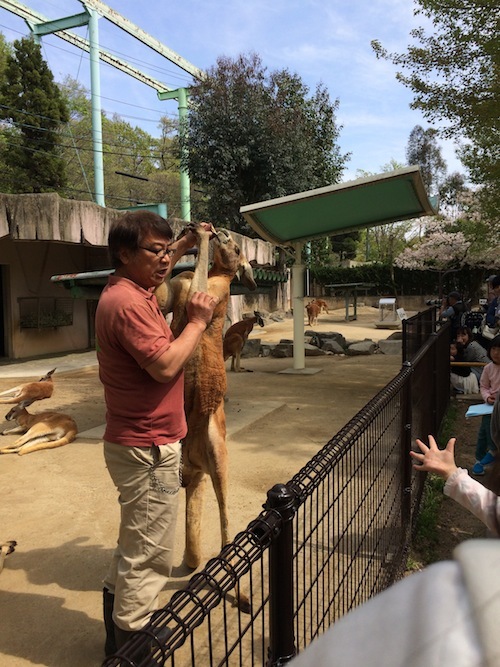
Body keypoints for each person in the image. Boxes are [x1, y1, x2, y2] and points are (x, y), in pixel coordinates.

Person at [95, 211, 219, 655]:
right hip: (147, 446)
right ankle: (134, 644)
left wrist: (185, 244)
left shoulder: (130, 288)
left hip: (136, 439)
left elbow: (162, 262)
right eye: (155, 252)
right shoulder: (128, 304)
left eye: (168, 252)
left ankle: (116, 639)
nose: (165, 262)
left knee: (135, 542)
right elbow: (166, 364)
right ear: (124, 254)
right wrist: (198, 323)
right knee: (149, 554)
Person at [471, 334, 500, 476]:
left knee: (492, 429)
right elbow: (484, 386)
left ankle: (493, 450)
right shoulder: (488, 368)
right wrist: (488, 397)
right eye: (494, 349)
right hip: (489, 406)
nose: (496, 353)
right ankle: (479, 460)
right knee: (483, 432)